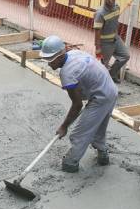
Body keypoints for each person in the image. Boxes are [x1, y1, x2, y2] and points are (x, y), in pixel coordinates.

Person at [41, 35, 118, 173]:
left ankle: (70, 163)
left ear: (60, 55)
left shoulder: (67, 73)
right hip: (109, 89)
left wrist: (64, 126)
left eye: (50, 60)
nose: (48, 64)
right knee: (98, 127)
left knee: (78, 134)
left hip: (101, 97)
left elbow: (77, 105)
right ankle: (103, 156)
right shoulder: (73, 53)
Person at [94, 0, 130, 83]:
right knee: (103, 66)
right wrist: (98, 47)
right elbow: (97, 31)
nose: (110, 0)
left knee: (125, 56)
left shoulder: (117, 7)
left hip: (115, 39)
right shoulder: (100, 13)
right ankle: (100, 84)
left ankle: (112, 75)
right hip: (105, 43)